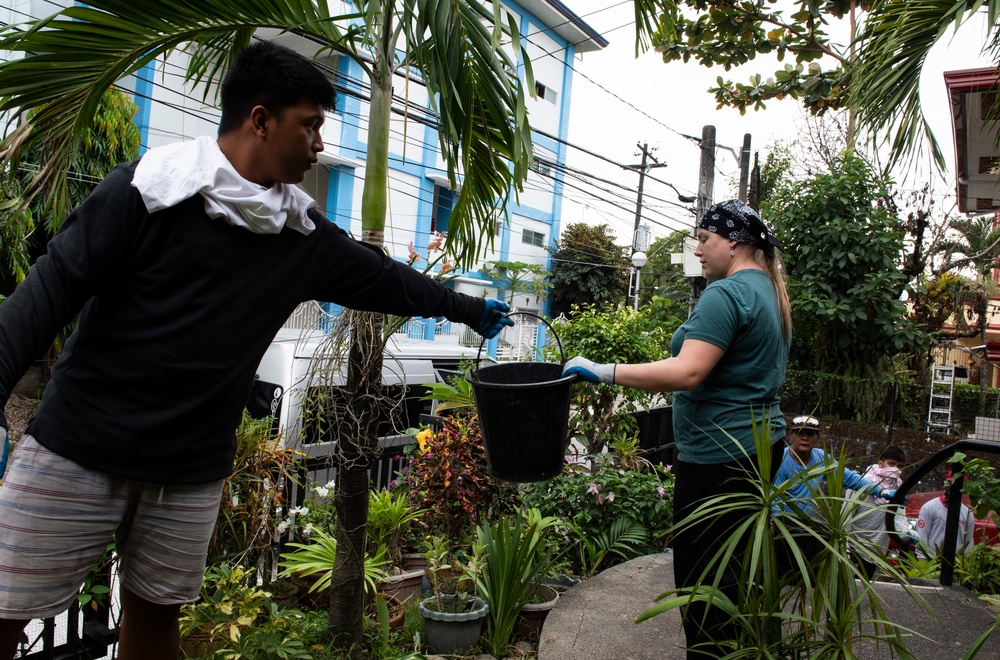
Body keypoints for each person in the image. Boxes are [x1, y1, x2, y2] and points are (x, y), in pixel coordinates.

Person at [0, 40, 512, 660]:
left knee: (157, 625)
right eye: (310, 126)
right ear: (261, 120)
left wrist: (467, 308)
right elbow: (49, 288)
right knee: (5, 613)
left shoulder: (299, 235)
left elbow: (389, 282)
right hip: (78, 450)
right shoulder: (149, 192)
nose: (319, 145)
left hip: (188, 472)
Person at [563, 199, 791, 659]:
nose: (698, 251)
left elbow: (688, 372)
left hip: (717, 456)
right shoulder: (768, 290)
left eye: (704, 240)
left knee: (703, 576)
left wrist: (604, 370)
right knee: (738, 567)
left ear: (734, 242)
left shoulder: (726, 295)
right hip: (761, 445)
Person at [773, 415, 898, 518]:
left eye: (810, 434)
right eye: (800, 433)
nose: (805, 438)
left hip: (805, 524)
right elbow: (773, 495)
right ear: (791, 435)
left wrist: (881, 491)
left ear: (817, 438)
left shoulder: (821, 458)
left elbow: (849, 478)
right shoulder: (781, 459)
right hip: (780, 521)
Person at [847, 446, 913, 577]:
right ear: (880, 463)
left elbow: (898, 517)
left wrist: (908, 532)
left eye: (899, 466)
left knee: (865, 587)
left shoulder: (898, 488)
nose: (895, 470)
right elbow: (847, 515)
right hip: (855, 545)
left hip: (876, 551)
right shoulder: (861, 484)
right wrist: (845, 547)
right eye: (891, 464)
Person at [915, 472, 975, 558]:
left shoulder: (967, 514)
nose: (954, 488)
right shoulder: (929, 508)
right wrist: (923, 562)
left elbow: (968, 544)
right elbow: (921, 538)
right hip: (932, 562)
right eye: (951, 483)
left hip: (956, 564)